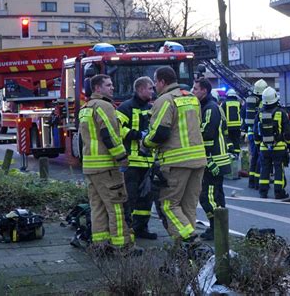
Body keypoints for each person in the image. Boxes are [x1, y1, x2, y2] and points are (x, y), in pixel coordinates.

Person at [142, 66, 206, 242]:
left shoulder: (164, 100)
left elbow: (160, 133)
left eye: (155, 82)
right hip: (199, 160)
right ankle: (187, 254)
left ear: (162, 81)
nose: (155, 86)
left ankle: (191, 241)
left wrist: (145, 143)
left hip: (176, 162)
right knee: (188, 207)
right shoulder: (192, 99)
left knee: (169, 206)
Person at [79, 74, 141, 253]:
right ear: (97, 88)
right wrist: (122, 156)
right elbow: (110, 135)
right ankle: (123, 246)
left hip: (91, 166)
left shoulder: (85, 108)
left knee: (97, 206)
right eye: (108, 85)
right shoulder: (104, 106)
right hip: (106, 166)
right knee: (117, 205)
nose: (112, 88)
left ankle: (100, 244)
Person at [116, 76, 157, 240]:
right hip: (131, 162)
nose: (152, 91)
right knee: (130, 198)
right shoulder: (125, 107)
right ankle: (128, 230)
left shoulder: (151, 107)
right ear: (140, 89)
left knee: (146, 199)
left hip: (148, 162)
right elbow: (117, 129)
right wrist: (137, 135)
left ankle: (141, 228)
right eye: (150, 88)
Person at [192, 78, 231, 240]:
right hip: (215, 159)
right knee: (217, 197)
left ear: (204, 91)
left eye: (195, 89)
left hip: (212, 160)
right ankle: (219, 228)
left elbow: (207, 134)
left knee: (207, 197)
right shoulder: (208, 106)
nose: (193, 92)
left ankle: (216, 228)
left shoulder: (210, 108)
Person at [254, 87, 290, 199]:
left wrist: (258, 145)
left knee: (264, 168)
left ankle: (263, 191)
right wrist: (289, 145)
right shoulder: (281, 113)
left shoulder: (260, 113)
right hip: (279, 147)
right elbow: (288, 133)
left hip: (264, 147)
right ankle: (278, 192)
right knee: (279, 169)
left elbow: (256, 132)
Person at [243, 79, 268, 189]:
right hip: (258, 134)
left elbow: (244, 114)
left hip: (250, 132)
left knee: (254, 157)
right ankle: (258, 181)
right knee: (260, 157)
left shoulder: (249, 100)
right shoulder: (263, 102)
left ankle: (252, 181)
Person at [222, 89, 242, 156]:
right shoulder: (238, 103)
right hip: (237, 126)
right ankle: (237, 153)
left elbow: (222, 114)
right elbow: (241, 113)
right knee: (236, 140)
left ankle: (231, 151)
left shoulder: (224, 103)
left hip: (228, 126)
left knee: (228, 139)